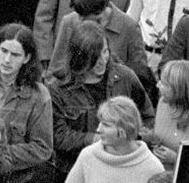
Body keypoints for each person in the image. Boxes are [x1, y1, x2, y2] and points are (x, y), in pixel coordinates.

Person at [47, 21, 153, 178]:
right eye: (94, 57)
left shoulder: (125, 76)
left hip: (122, 166)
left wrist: (133, 137)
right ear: (80, 57)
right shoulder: (59, 88)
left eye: (105, 52)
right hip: (76, 169)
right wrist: (97, 139)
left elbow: (148, 117)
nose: (102, 60)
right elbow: (58, 136)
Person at [0, 24, 54, 183]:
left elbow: (43, 148)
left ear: (27, 58)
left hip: (14, 178)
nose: (7, 60)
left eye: (15, 54)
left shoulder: (38, 95)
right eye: (4, 51)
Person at [48, 0, 149, 80]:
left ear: (100, 12)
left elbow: (139, 75)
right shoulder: (69, 21)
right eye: (79, 14)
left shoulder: (129, 27)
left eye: (84, 16)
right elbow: (55, 69)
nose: (79, 19)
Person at [65, 96, 165, 183]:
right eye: (100, 123)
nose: (98, 129)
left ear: (124, 131)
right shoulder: (88, 156)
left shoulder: (152, 167)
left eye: (106, 125)